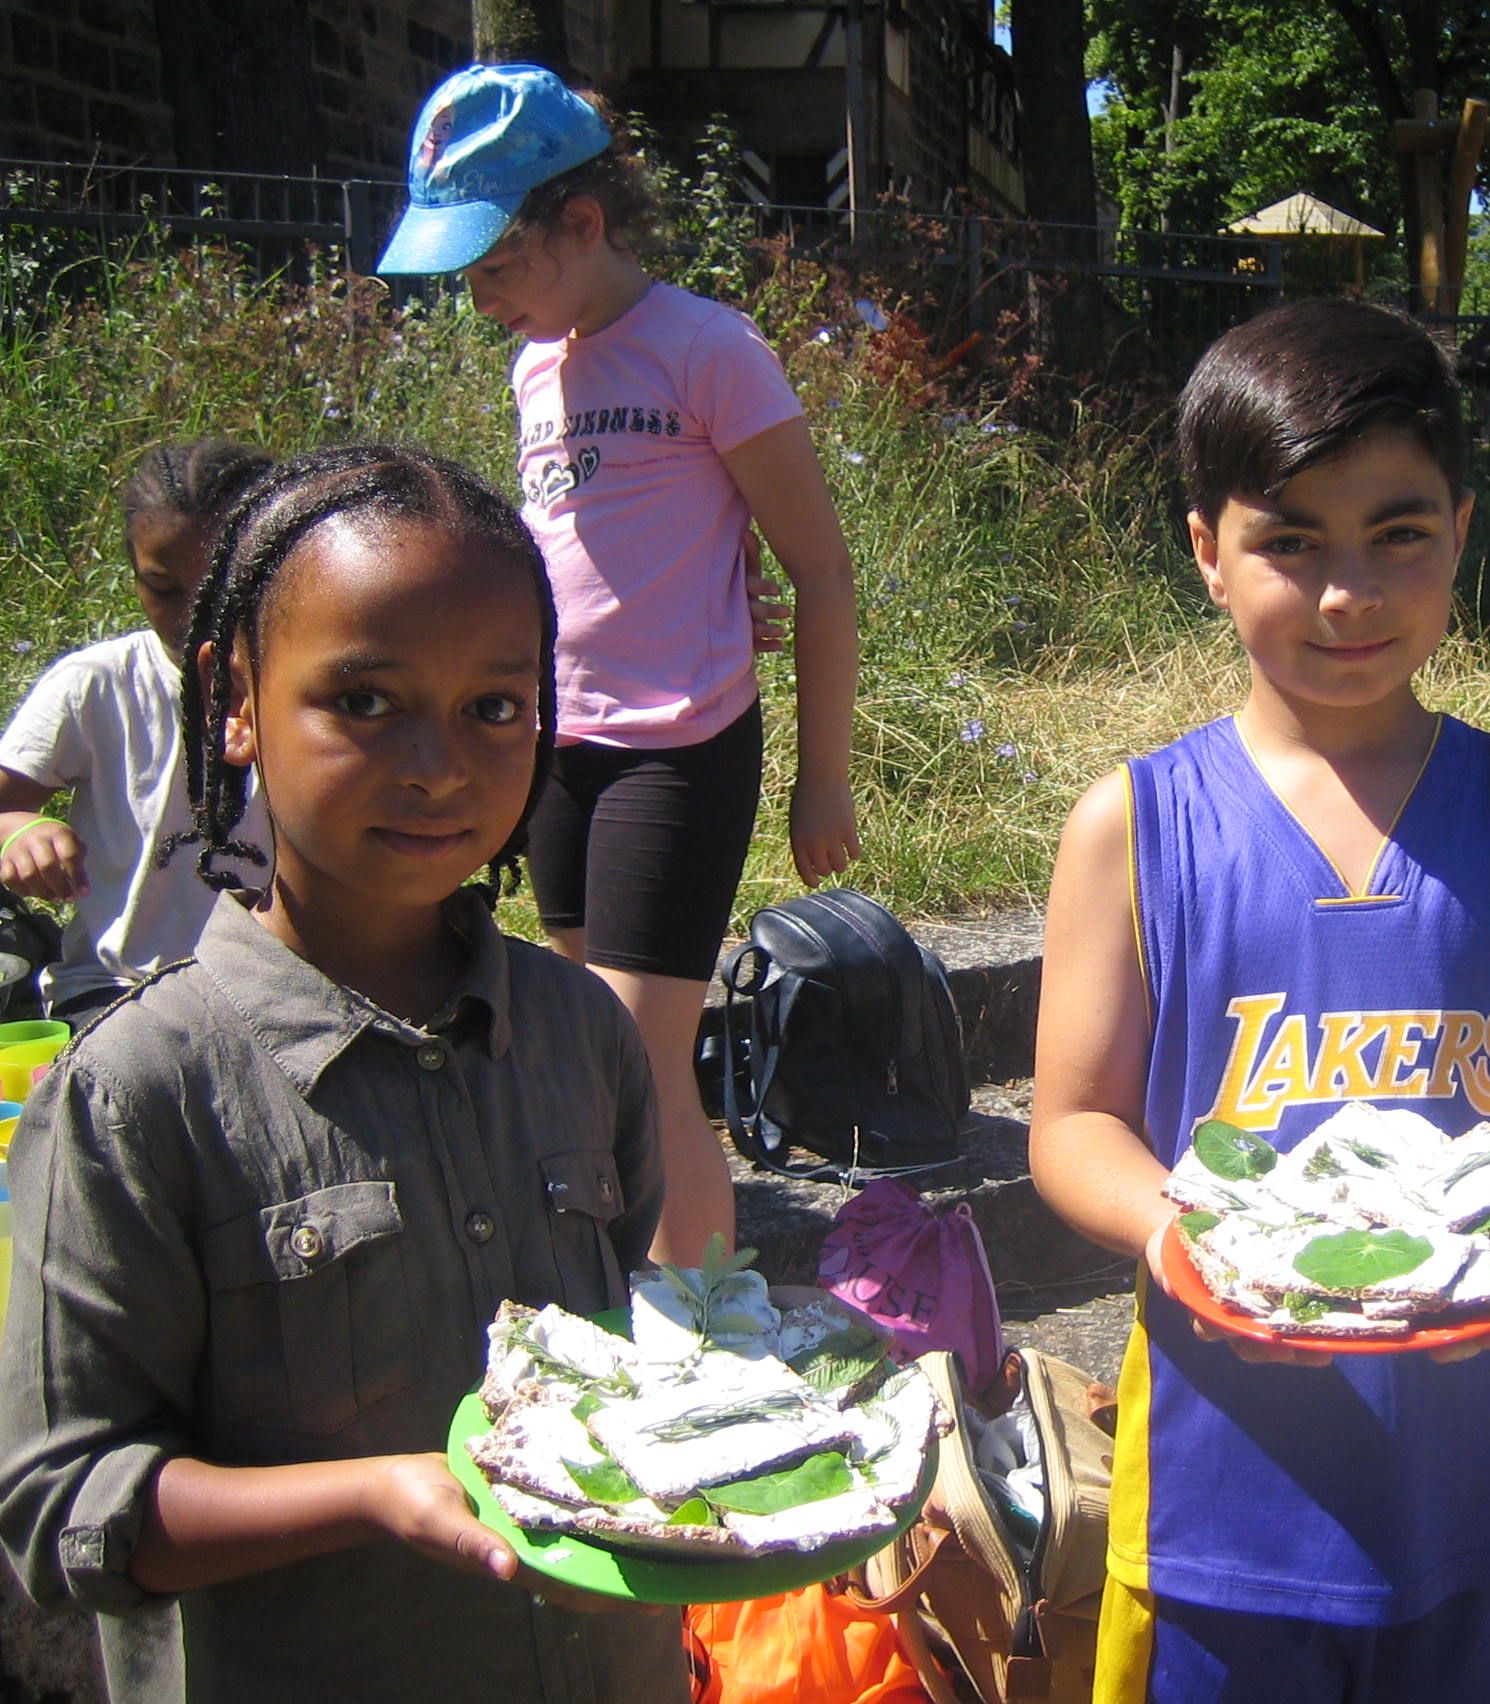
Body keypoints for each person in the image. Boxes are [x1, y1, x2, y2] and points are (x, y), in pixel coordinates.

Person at [1026, 298, 1490, 1703]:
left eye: (1399, 534)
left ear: (1462, 531)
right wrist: (1197, 1241)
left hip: (1484, 1487)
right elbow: (1071, 1124)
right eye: (1290, 539)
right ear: (1205, 548)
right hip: (1220, 1491)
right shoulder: (1131, 826)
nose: (1347, 595)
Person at [0, 445, 682, 1703]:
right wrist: (374, 1497)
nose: (438, 765)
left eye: (495, 707)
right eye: (364, 701)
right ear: (238, 701)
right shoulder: (135, 1096)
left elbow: (629, 1338)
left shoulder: (582, 1033)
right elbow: (64, 1506)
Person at [375, 63, 862, 1262]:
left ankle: (701, 1331)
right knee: (583, 1045)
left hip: (679, 744)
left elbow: (823, 571)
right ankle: (629, 1306)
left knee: (646, 1062)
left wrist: (825, 775)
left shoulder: (707, 347)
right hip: (557, 744)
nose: (480, 298)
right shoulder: (534, 365)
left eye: (495, 266)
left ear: (581, 224)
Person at [0, 439, 275, 1024]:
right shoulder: (97, 685)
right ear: (133, 573)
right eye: (162, 588)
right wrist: (19, 832)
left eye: (223, 586)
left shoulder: (312, 694)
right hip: (118, 993)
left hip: (277, 988)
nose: (192, 616)